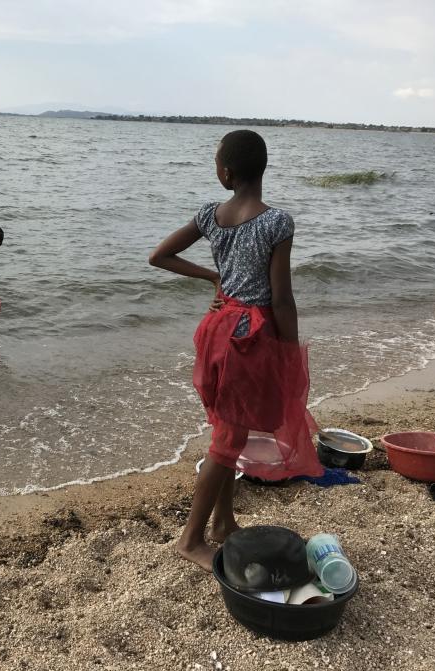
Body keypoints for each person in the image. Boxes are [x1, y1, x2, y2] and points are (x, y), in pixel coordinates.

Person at [149, 130, 322, 572]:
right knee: (229, 438)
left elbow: (160, 256)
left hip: (217, 330)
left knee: (230, 430)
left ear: (225, 172)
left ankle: (223, 522)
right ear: (261, 170)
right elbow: (281, 298)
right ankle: (190, 539)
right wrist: (288, 350)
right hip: (250, 338)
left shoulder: (211, 215)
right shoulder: (277, 223)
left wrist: (214, 278)